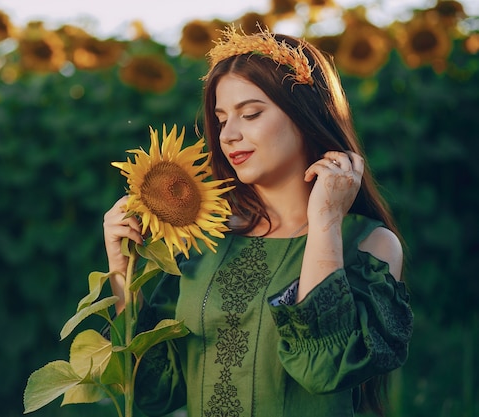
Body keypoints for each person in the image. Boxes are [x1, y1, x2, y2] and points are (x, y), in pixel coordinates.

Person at [103, 26, 413, 417]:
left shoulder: (371, 245)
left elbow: (325, 367)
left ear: (306, 115)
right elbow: (150, 392)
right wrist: (120, 267)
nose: (229, 135)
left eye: (250, 114)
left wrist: (324, 223)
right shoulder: (204, 239)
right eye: (220, 119)